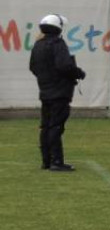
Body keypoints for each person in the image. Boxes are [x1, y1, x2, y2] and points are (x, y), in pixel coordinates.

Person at [29, 14, 86, 172]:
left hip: (45, 92)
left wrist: (46, 79)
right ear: (59, 27)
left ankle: (46, 161)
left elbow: (33, 67)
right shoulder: (58, 43)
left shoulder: (38, 44)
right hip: (60, 93)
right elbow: (64, 66)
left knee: (46, 126)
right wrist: (79, 73)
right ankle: (57, 162)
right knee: (56, 127)